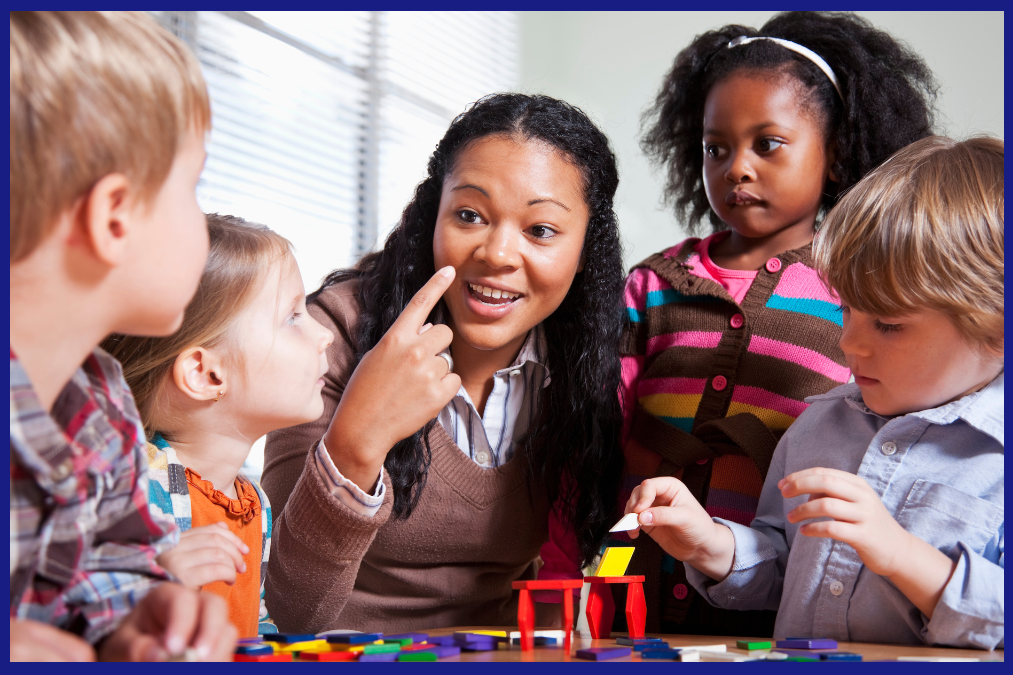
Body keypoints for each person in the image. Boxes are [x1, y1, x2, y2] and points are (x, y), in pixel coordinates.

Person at [541, 11, 940, 637]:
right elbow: (593, 433)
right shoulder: (652, 285)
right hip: (628, 585)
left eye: (768, 143)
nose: (737, 168)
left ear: (835, 155)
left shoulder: (861, 290)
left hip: (774, 597)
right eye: (715, 148)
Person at [261, 93, 626, 633]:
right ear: (433, 215)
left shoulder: (581, 362)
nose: (498, 253)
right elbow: (294, 608)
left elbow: (571, 564)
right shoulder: (330, 336)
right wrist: (358, 441)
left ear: (585, 248)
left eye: (540, 230)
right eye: (470, 215)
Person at [624, 135, 1004, 649]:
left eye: (889, 325)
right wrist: (712, 544)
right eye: (847, 310)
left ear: (996, 329)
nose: (849, 342)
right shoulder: (819, 427)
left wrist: (898, 553)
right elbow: (785, 569)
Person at [10, 11, 236, 661]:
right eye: (193, 187)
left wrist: (135, 618)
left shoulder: (102, 403)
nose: (203, 215)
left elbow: (110, 567)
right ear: (114, 216)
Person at [102, 215, 334, 638]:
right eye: (293, 317)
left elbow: (250, 628)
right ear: (207, 375)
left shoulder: (252, 502)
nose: (325, 335)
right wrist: (154, 587)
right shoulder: (136, 488)